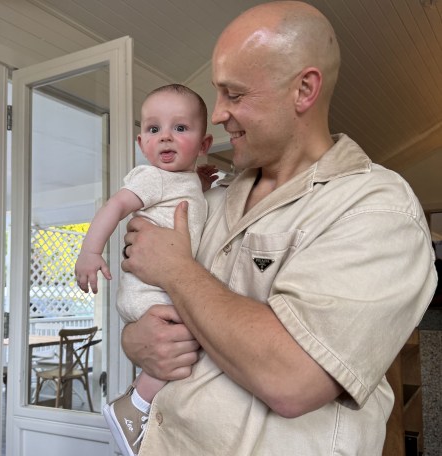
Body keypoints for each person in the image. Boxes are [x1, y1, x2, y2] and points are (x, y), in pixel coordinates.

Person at [120, 2, 438, 455]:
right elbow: (146, 291)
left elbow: (294, 377)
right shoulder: (210, 198)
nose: (216, 114)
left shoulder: (376, 208)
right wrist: (135, 339)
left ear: (304, 90)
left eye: (234, 94)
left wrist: (175, 270)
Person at [74, 84, 214, 456]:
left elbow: (179, 202)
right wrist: (91, 250)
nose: (166, 136)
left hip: (160, 288)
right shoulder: (151, 177)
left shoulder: (181, 182)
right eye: (154, 129)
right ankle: (133, 407)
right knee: (192, 335)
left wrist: (200, 181)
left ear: (204, 144)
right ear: (141, 141)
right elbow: (116, 206)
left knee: (188, 343)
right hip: (152, 291)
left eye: (181, 128)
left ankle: (145, 407)